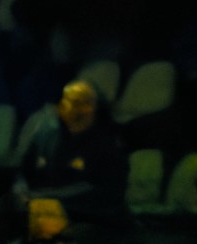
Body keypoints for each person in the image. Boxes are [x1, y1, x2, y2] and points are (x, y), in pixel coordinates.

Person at [12, 79, 127, 227]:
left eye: (84, 103)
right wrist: (19, 189)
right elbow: (22, 171)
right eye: (70, 101)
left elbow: (101, 190)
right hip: (42, 216)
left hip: (94, 223)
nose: (76, 109)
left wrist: (42, 197)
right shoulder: (46, 135)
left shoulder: (108, 141)